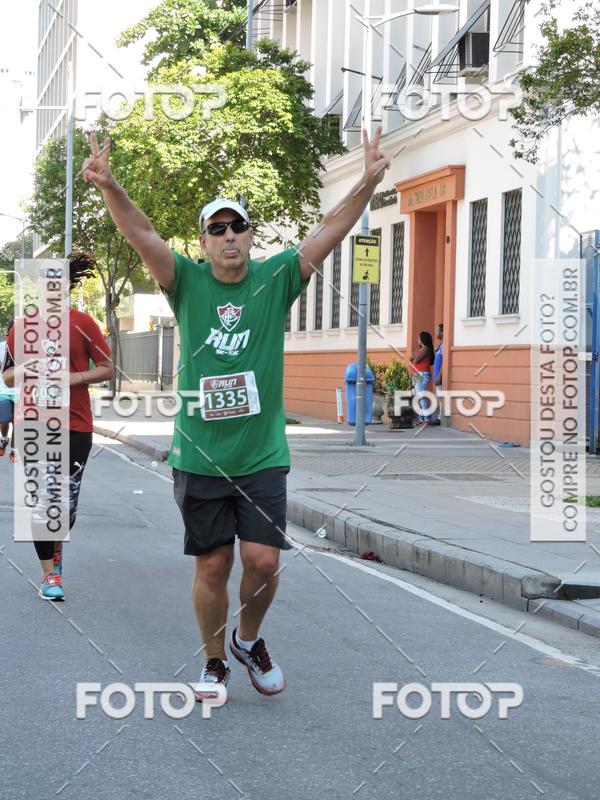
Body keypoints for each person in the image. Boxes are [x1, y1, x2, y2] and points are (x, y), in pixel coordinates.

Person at [82, 127, 390, 699]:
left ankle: (247, 640)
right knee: (213, 566)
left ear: (250, 237)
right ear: (203, 242)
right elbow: (142, 233)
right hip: (200, 455)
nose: (228, 236)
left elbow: (328, 230)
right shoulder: (185, 281)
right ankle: (213, 660)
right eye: (216, 229)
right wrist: (110, 186)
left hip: (261, 454)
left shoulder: (276, 278)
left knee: (264, 561)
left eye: (237, 227)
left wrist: (367, 182)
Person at [2, 253, 114, 601]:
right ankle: (49, 574)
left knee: (65, 506)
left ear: (67, 284)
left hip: (75, 424)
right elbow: (7, 376)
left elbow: (108, 367)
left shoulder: (83, 323)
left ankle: (55, 549)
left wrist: (73, 378)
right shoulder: (20, 327)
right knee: (42, 502)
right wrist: (27, 367)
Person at [409, 331, 434, 425]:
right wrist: (414, 356)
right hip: (417, 374)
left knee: (421, 396)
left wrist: (414, 355)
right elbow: (410, 358)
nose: (418, 339)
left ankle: (427, 418)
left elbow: (415, 360)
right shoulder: (420, 349)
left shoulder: (426, 349)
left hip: (422, 374)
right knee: (417, 397)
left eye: (419, 338)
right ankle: (421, 418)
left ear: (422, 339)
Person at [0, 320, 17, 460]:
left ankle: (13, 451)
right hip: (3, 390)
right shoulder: (1, 347)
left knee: (17, 422)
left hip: (20, 392)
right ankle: (4, 439)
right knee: (4, 419)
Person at [430, 323, 443, 426]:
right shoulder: (441, 345)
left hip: (440, 377)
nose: (435, 332)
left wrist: (439, 376)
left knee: (441, 396)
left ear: (442, 332)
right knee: (439, 396)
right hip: (437, 377)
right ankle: (439, 416)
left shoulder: (444, 346)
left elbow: (444, 362)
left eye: (437, 330)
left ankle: (440, 417)